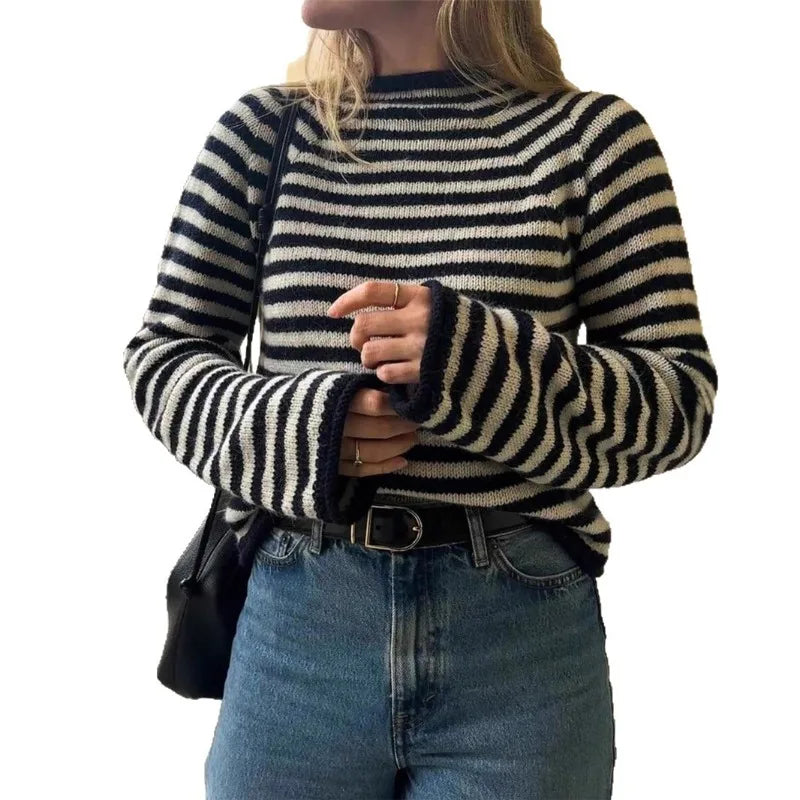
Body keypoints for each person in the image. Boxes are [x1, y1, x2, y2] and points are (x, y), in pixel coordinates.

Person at [121, 1, 718, 797]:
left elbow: (677, 402)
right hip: (298, 628)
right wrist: (306, 431)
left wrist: (469, 359)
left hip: (520, 641)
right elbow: (163, 358)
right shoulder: (263, 136)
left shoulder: (593, 139)